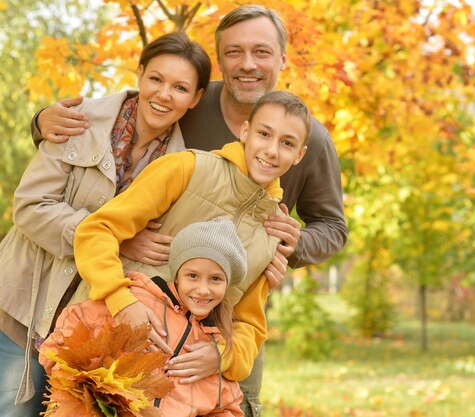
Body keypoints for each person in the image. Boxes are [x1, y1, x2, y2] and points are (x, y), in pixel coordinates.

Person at [32, 5, 349, 416]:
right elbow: (129, 113)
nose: (247, 63)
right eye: (234, 52)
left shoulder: (309, 148)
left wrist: (291, 247)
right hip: (122, 328)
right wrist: (42, 122)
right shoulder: (190, 110)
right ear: (246, 132)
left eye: (261, 52)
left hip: (204, 345)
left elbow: (327, 233)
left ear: (283, 58)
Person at [0, 32, 211, 417]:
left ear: (195, 98)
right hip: (23, 309)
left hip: (90, 330)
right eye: (156, 79)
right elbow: (30, 207)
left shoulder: (184, 167)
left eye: (180, 88)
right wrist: (114, 239)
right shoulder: (78, 121)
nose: (164, 94)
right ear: (140, 74)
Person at [72, 90, 311, 412]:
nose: (271, 150)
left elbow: (249, 324)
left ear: (299, 154)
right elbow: (96, 230)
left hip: (176, 395)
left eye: (287, 143)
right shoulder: (186, 168)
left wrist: (223, 355)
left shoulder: (274, 231)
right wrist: (120, 300)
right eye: (264, 134)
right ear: (244, 132)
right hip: (103, 361)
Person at [40, 219, 247, 417]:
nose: (203, 289)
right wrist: (81, 393)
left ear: (226, 285)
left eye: (216, 279)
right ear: (177, 274)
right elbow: (62, 341)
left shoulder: (213, 343)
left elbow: (227, 406)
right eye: (192, 276)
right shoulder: (135, 302)